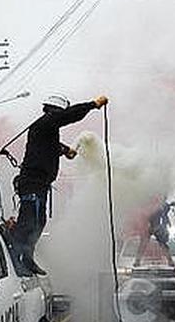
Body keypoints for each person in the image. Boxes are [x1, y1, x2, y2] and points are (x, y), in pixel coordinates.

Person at [9, 94, 108, 275]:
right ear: (55, 110)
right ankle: (15, 261)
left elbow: (51, 146)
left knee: (38, 221)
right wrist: (92, 104)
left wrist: (65, 150)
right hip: (33, 182)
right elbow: (69, 115)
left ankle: (27, 257)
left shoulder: (46, 130)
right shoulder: (47, 122)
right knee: (28, 222)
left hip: (39, 184)